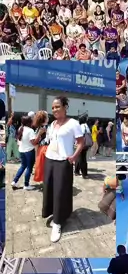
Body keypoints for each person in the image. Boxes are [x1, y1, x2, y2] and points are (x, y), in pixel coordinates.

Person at [42, 98, 84, 243]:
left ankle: (58, 223)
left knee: (61, 191)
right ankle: (52, 213)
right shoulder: (52, 124)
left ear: (65, 107)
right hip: (49, 159)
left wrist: (74, 157)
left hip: (63, 161)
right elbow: (50, 141)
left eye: (57, 106)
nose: (54, 109)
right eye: (53, 107)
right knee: (48, 188)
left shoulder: (73, 123)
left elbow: (81, 142)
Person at [11, 115, 38, 191]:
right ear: (29, 122)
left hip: (21, 150)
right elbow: (34, 143)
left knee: (23, 166)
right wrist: (39, 134)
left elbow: (18, 140)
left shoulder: (20, 128)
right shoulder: (30, 131)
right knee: (29, 168)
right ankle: (26, 185)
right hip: (29, 151)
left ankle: (14, 181)